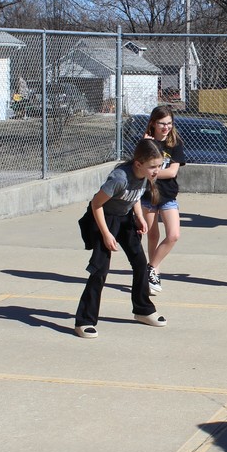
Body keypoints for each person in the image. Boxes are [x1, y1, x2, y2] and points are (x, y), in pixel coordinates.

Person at [74, 138, 167, 338]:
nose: (156, 171)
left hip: (125, 218)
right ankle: (84, 321)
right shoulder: (119, 178)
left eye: (160, 166)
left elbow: (133, 197)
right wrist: (106, 234)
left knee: (141, 264)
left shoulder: (144, 175)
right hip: (103, 219)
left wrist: (140, 217)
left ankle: (143, 310)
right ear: (138, 164)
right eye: (153, 166)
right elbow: (96, 205)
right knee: (100, 270)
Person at [140, 106, 186, 296]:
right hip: (148, 196)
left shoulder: (174, 143)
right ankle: (155, 274)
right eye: (162, 123)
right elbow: (141, 170)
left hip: (168, 196)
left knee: (174, 235)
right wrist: (149, 170)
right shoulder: (145, 144)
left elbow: (172, 172)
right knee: (152, 236)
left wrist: (152, 172)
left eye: (169, 123)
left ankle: (150, 267)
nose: (166, 127)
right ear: (153, 123)